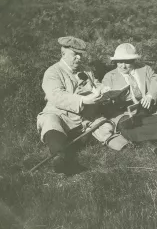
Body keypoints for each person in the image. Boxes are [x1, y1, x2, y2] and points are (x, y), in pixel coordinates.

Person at [37, 36, 128, 175]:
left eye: (80, 54)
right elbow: (56, 96)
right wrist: (83, 100)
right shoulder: (53, 72)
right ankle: (60, 158)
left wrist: (104, 90)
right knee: (50, 122)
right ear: (63, 53)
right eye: (75, 54)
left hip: (86, 116)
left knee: (106, 127)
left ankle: (127, 147)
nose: (79, 58)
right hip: (61, 115)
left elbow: (96, 84)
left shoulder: (86, 70)